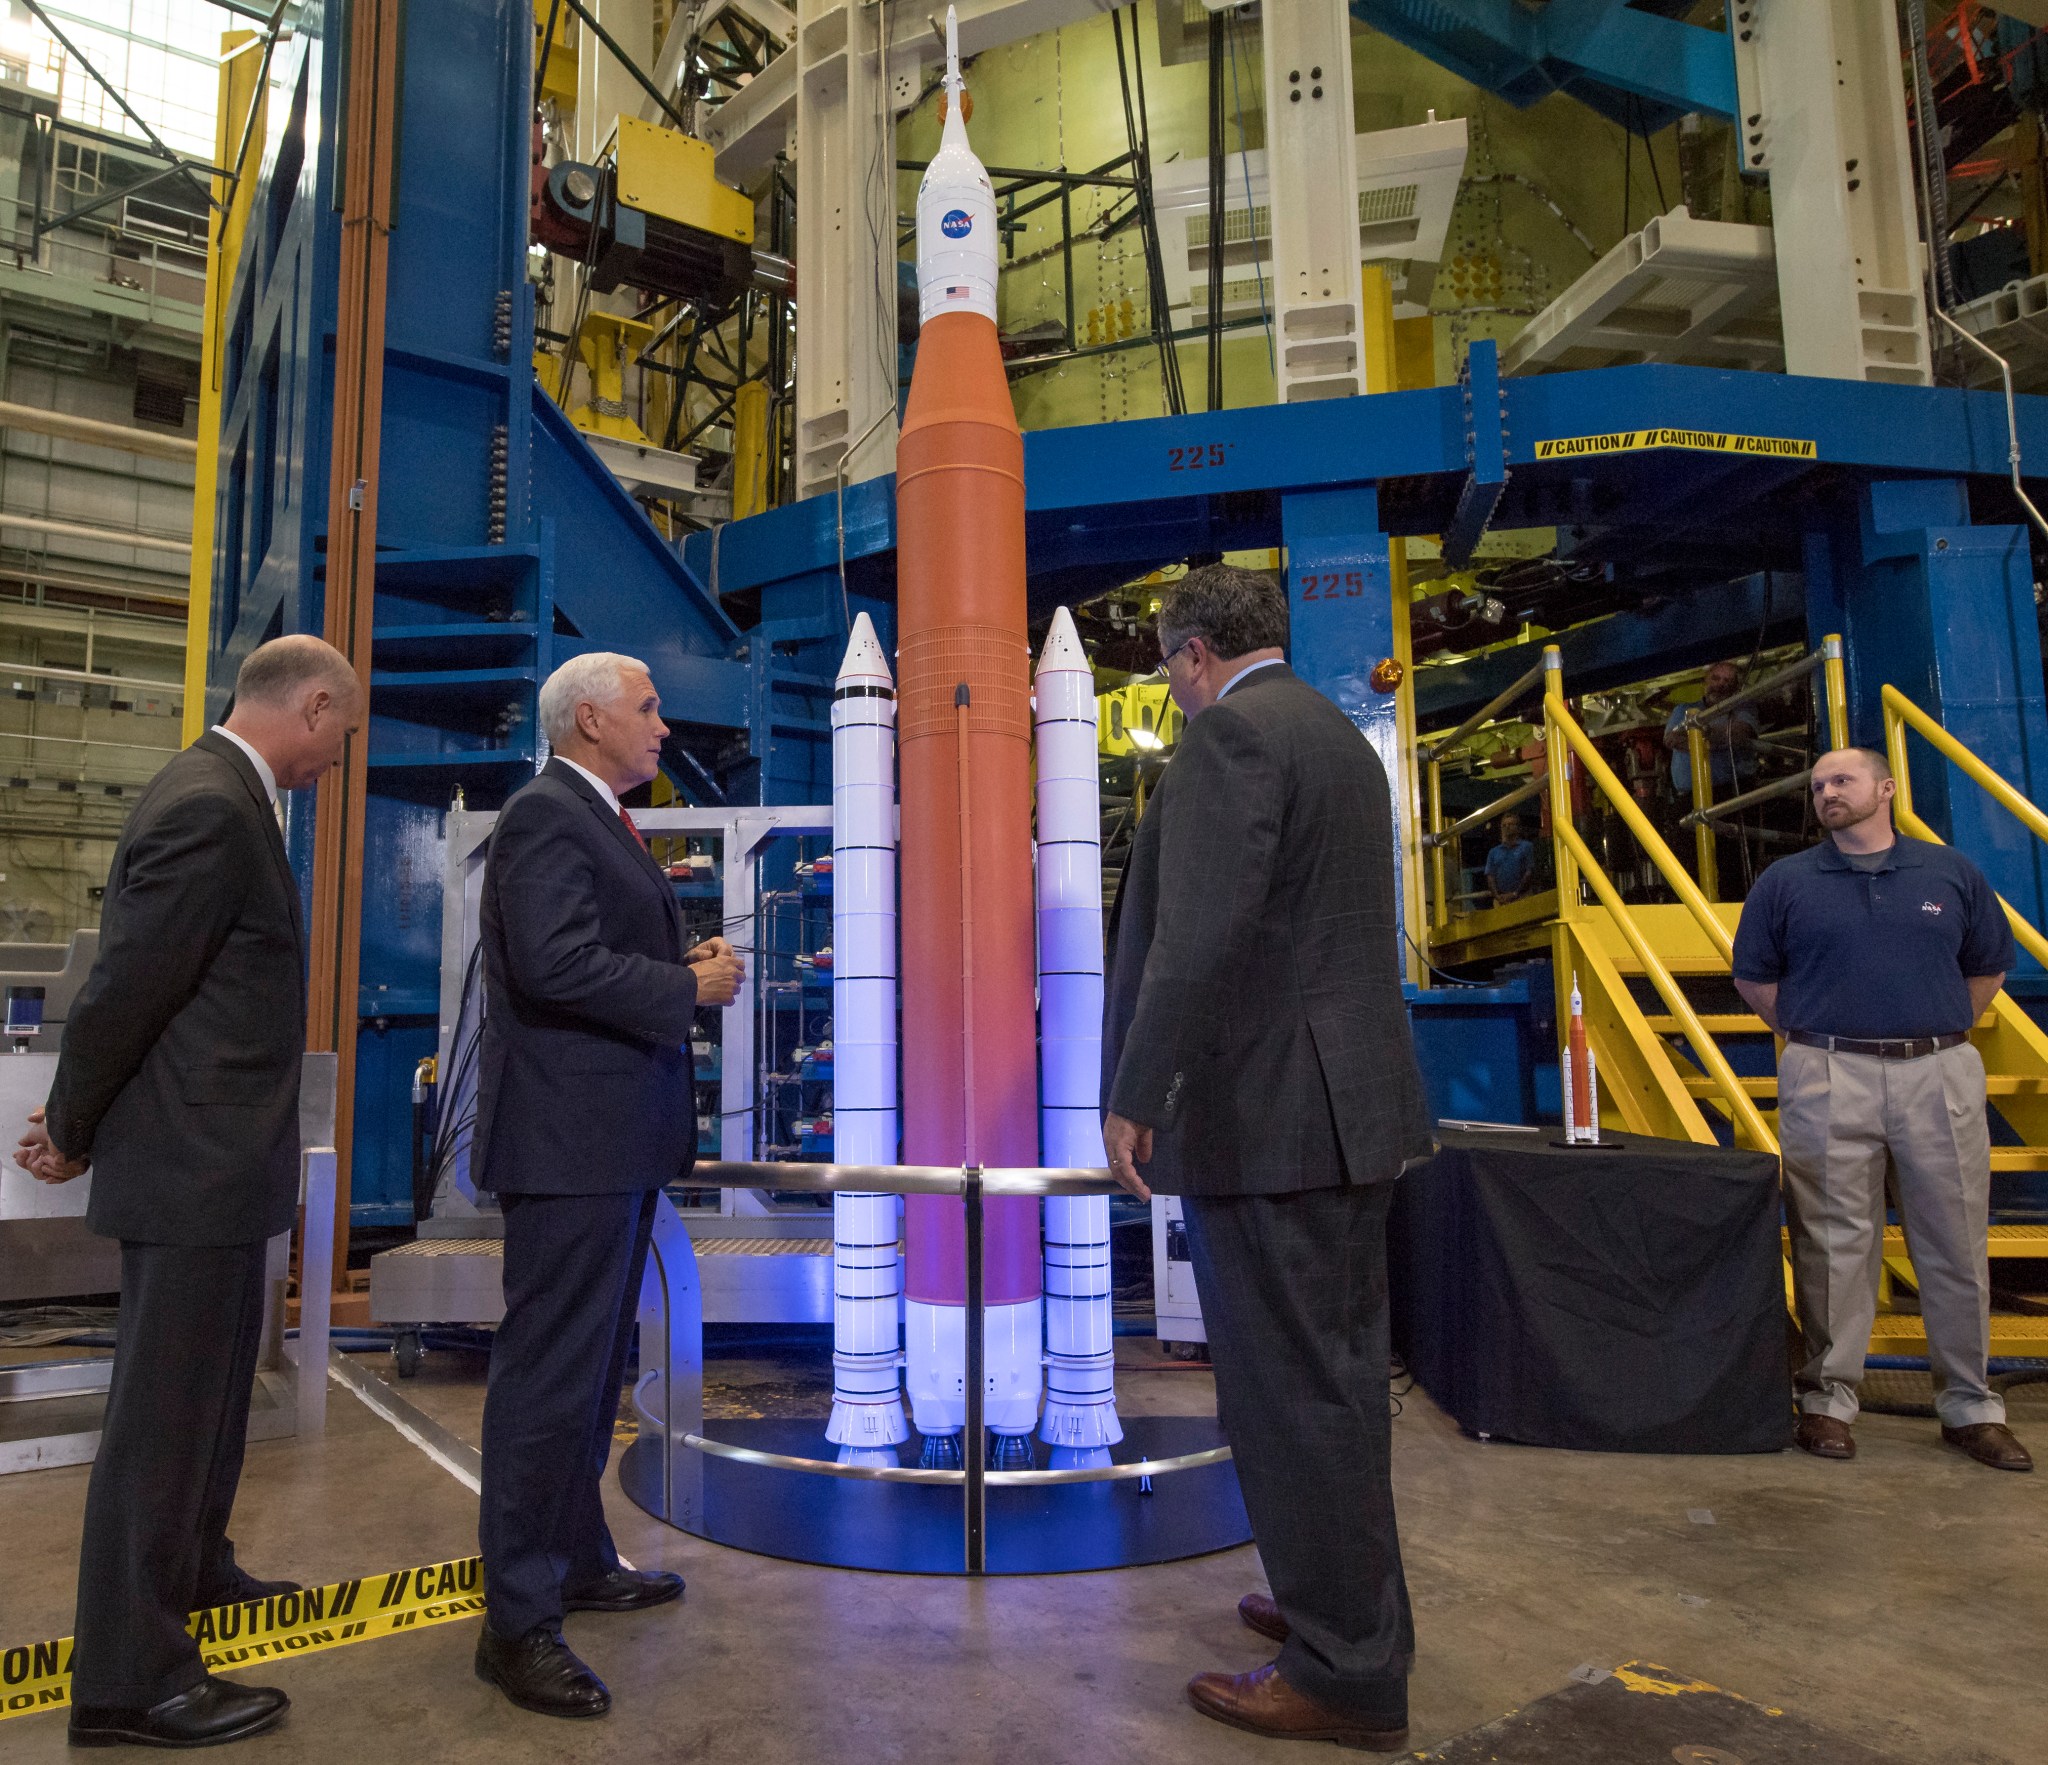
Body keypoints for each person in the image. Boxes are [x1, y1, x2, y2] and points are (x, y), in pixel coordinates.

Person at [1101, 566, 1434, 1752]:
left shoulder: (1230, 737)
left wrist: (1135, 1093)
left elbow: (1197, 939)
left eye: (1162, 669)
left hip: (1275, 1117)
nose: (1169, 689)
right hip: (1342, 1109)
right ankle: (1336, 1610)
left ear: (1191, 655)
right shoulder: (1333, 730)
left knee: (1294, 1396)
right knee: (1333, 1382)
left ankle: (1343, 1675)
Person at [13, 635, 361, 1748]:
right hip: (189, 1168)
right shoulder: (211, 804)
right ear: (310, 707)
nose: (334, 760)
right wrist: (71, 1125)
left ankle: (194, 1576)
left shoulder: (227, 798)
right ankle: (129, 1682)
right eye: (339, 737)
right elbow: (125, 985)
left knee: (207, 1411)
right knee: (161, 1426)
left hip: (218, 1168)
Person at [471, 652, 745, 1718]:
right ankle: (516, 1623)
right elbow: (553, 964)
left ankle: (575, 1560)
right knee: (548, 1382)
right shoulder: (548, 814)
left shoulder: (591, 815)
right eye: (647, 707)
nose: (664, 726)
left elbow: (586, 950)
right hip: (568, 1148)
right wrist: (685, 983)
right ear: (589, 720)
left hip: (607, 1146)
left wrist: (683, 958)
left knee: (588, 1376)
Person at [1732, 747, 2030, 1473]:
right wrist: (1825, 1035)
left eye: (1843, 780)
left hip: (1938, 1069)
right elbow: (1754, 976)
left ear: (1885, 787)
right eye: (1819, 786)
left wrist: (1926, 1028)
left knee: (1955, 1240)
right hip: (1828, 1070)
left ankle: (1969, 1405)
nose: (1827, 792)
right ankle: (1829, 1401)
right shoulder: (1787, 881)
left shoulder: (1949, 872)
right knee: (1831, 1244)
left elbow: (1988, 966)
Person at [1665, 660, 1759, 800]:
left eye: (1727, 680)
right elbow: (1671, 739)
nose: (1720, 684)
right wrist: (1717, 739)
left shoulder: (1743, 707)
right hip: (1688, 798)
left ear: (1736, 686)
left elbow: (1739, 733)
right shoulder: (1682, 710)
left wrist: (1697, 736)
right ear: (1705, 681)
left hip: (1732, 793)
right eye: (1715, 678)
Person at [1483, 811, 1536, 905]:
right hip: (1501, 899)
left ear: (1517, 827)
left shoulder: (1526, 847)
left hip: (1523, 897)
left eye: (1511, 824)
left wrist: (1515, 893)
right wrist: (1497, 896)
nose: (1507, 827)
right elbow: (1490, 876)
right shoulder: (1493, 852)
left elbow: (1529, 872)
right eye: (1504, 825)